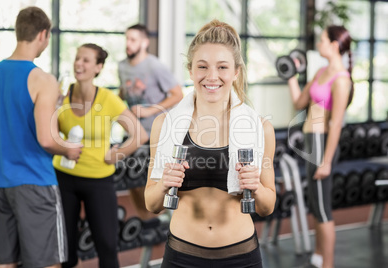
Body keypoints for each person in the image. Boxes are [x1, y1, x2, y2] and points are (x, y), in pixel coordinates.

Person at [145, 19, 276, 268]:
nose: (212, 76)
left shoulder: (260, 128)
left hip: (241, 257)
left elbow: (267, 207)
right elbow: (151, 205)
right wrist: (164, 183)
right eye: (202, 67)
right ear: (191, 70)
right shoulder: (165, 125)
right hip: (181, 257)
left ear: (236, 71)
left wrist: (256, 187)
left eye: (222, 67)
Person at [0, 6, 82, 268]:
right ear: (43, 34)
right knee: (47, 263)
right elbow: (47, 139)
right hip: (34, 183)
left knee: (4, 263)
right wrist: (69, 150)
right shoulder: (42, 79)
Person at [52, 43, 148, 268]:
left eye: (86, 60)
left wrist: (116, 155)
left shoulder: (107, 99)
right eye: (77, 58)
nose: (79, 63)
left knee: (107, 246)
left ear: (98, 67)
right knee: (65, 251)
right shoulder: (62, 94)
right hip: (63, 177)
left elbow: (139, 135)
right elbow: (50, 132)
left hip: (99, 180)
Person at [287, 25, 353, 268]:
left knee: (323, 208)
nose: (319, 43)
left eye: (323, 40)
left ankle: (328, 264)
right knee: (314, 204)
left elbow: (336, 124)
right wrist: (290, 74)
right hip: (310, 141)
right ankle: (317, 256)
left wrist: (326, 161)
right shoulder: (320, 71)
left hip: (323, 143)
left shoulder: (341, 79)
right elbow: (299, 102)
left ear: (335, 45)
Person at [118, 24, 183, 220]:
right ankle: (148, 222)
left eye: (133, 40)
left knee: (154, 182)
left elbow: (178, 94)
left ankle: (167, 218)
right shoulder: (122, 66)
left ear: (144, 42)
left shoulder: (155, 66)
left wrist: (148, 110)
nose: (128, 44)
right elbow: (124, 93)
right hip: (133, 133)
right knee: (133, 182)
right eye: (127, 39)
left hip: (155, 134)